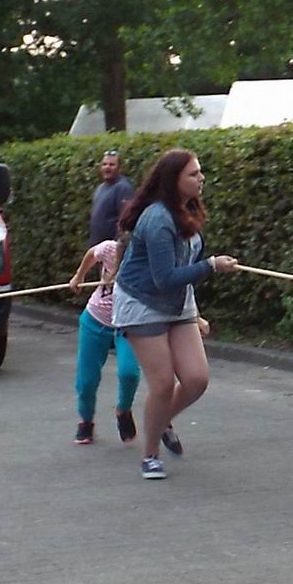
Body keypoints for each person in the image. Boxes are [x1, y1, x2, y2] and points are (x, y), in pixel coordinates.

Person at [112, 149, 238, 480]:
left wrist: (195, 313)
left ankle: (161, 418)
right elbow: (164, 278)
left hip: (178, 301)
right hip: (141, 302)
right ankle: (150, 455)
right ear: (173, 180)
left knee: (196, 379)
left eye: (200, 172)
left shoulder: (188, 208)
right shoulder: (157, 219)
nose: (201, 178)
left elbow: (180, 272)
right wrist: (211, 265)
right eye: (194, 174)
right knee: (163, 383)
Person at [67, 235, 140, 445]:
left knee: (129, 372)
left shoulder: (147, 260)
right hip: (96, 319)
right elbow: (92, 253)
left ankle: (123, 410)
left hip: (127, 323)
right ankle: (85, 421)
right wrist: (79, 276)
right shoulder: (109, 249)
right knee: (86, 381)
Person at [89, 149, 134, 245]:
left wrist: (117, 247)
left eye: (112, 165)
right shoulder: (100, 188)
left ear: (120, 168)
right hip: (97, 247)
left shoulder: (123, 188)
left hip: (111, 249)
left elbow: (126, 222)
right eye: (104, 164)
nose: (107, 167)